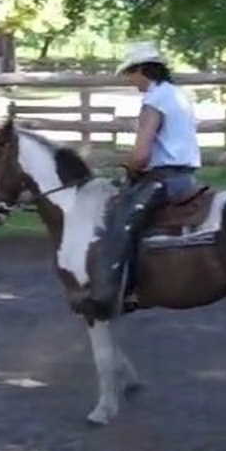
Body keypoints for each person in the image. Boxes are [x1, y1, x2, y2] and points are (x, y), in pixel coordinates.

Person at [88, 41, 202, 319]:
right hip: (186, 177)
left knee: (118, 222)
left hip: (164, 179)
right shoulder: (178, 95)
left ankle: (112, 294)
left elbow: (140, 155)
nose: (129, 80)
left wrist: (121, 162)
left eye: (130, 73)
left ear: (143, 70)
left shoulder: (154, 101)